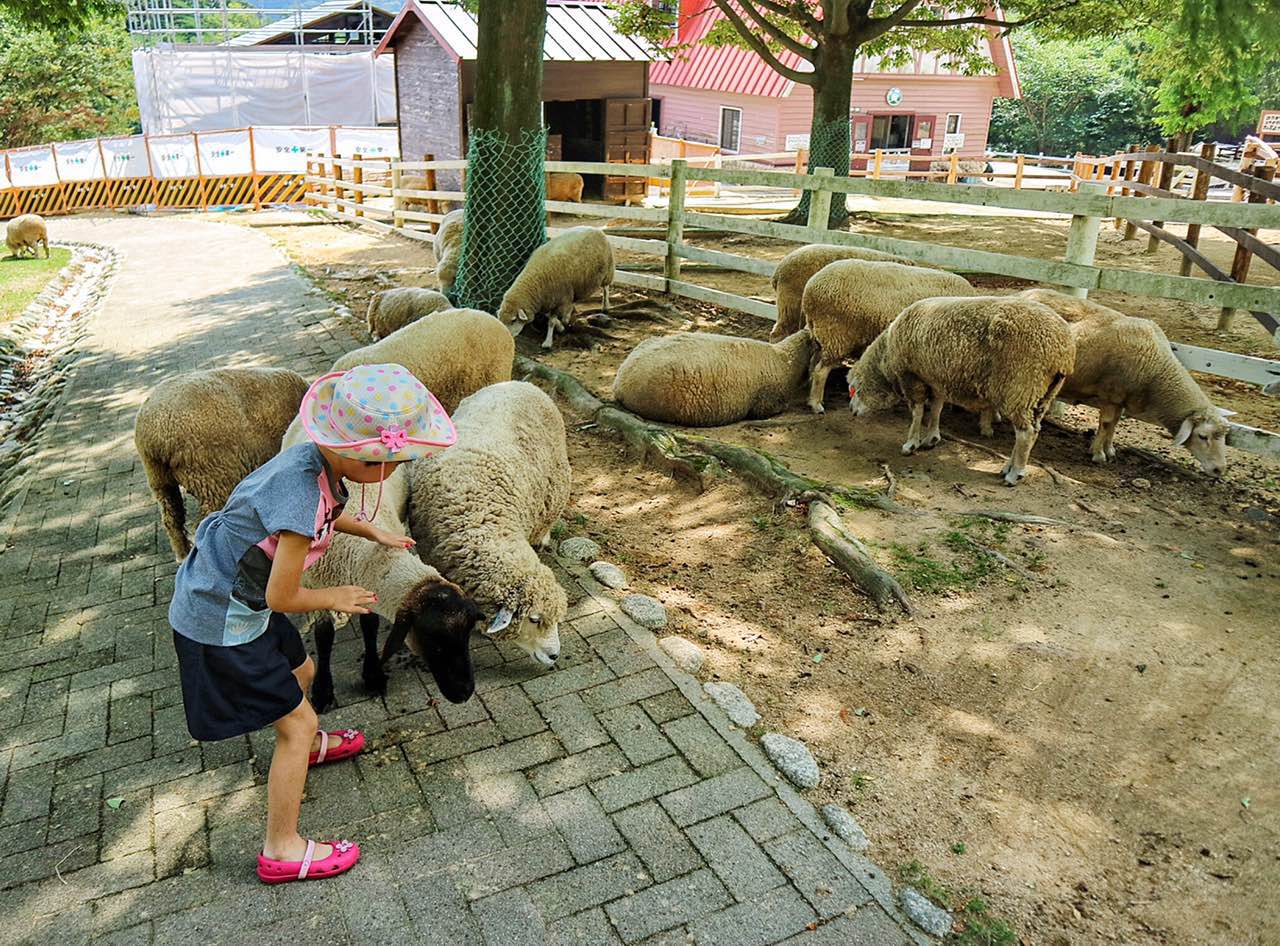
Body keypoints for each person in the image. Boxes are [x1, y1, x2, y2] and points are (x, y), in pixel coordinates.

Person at [167, 363, 456, 884]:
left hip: (242, 599)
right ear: (347, 449)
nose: (389, 471)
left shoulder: (317, 464)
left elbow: (324, 515)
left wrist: (371, 532)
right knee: (296, 722)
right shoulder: (300, 492)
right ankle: (281, 848)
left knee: (300, 672)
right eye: (381, 460)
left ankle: (309, 742)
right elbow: (284, 594)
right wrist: (335, 596)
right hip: (222, 616)